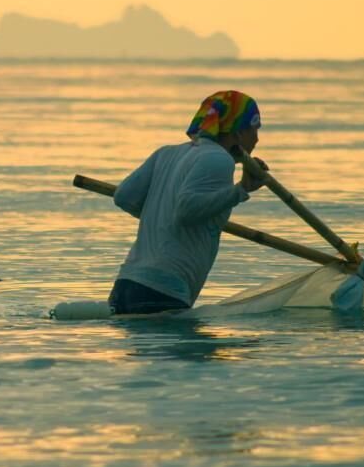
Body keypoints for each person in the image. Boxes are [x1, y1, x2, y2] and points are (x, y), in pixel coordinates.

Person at [108, 90, 267, 315]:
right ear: (238, 131)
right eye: (255, 128)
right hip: (163, 291)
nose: (257, 138)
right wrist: (241, 190)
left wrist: (161, 216)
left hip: (126, 283)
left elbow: (124, 197)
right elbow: (187, 210)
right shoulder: (218, 158)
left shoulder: (167, 153)